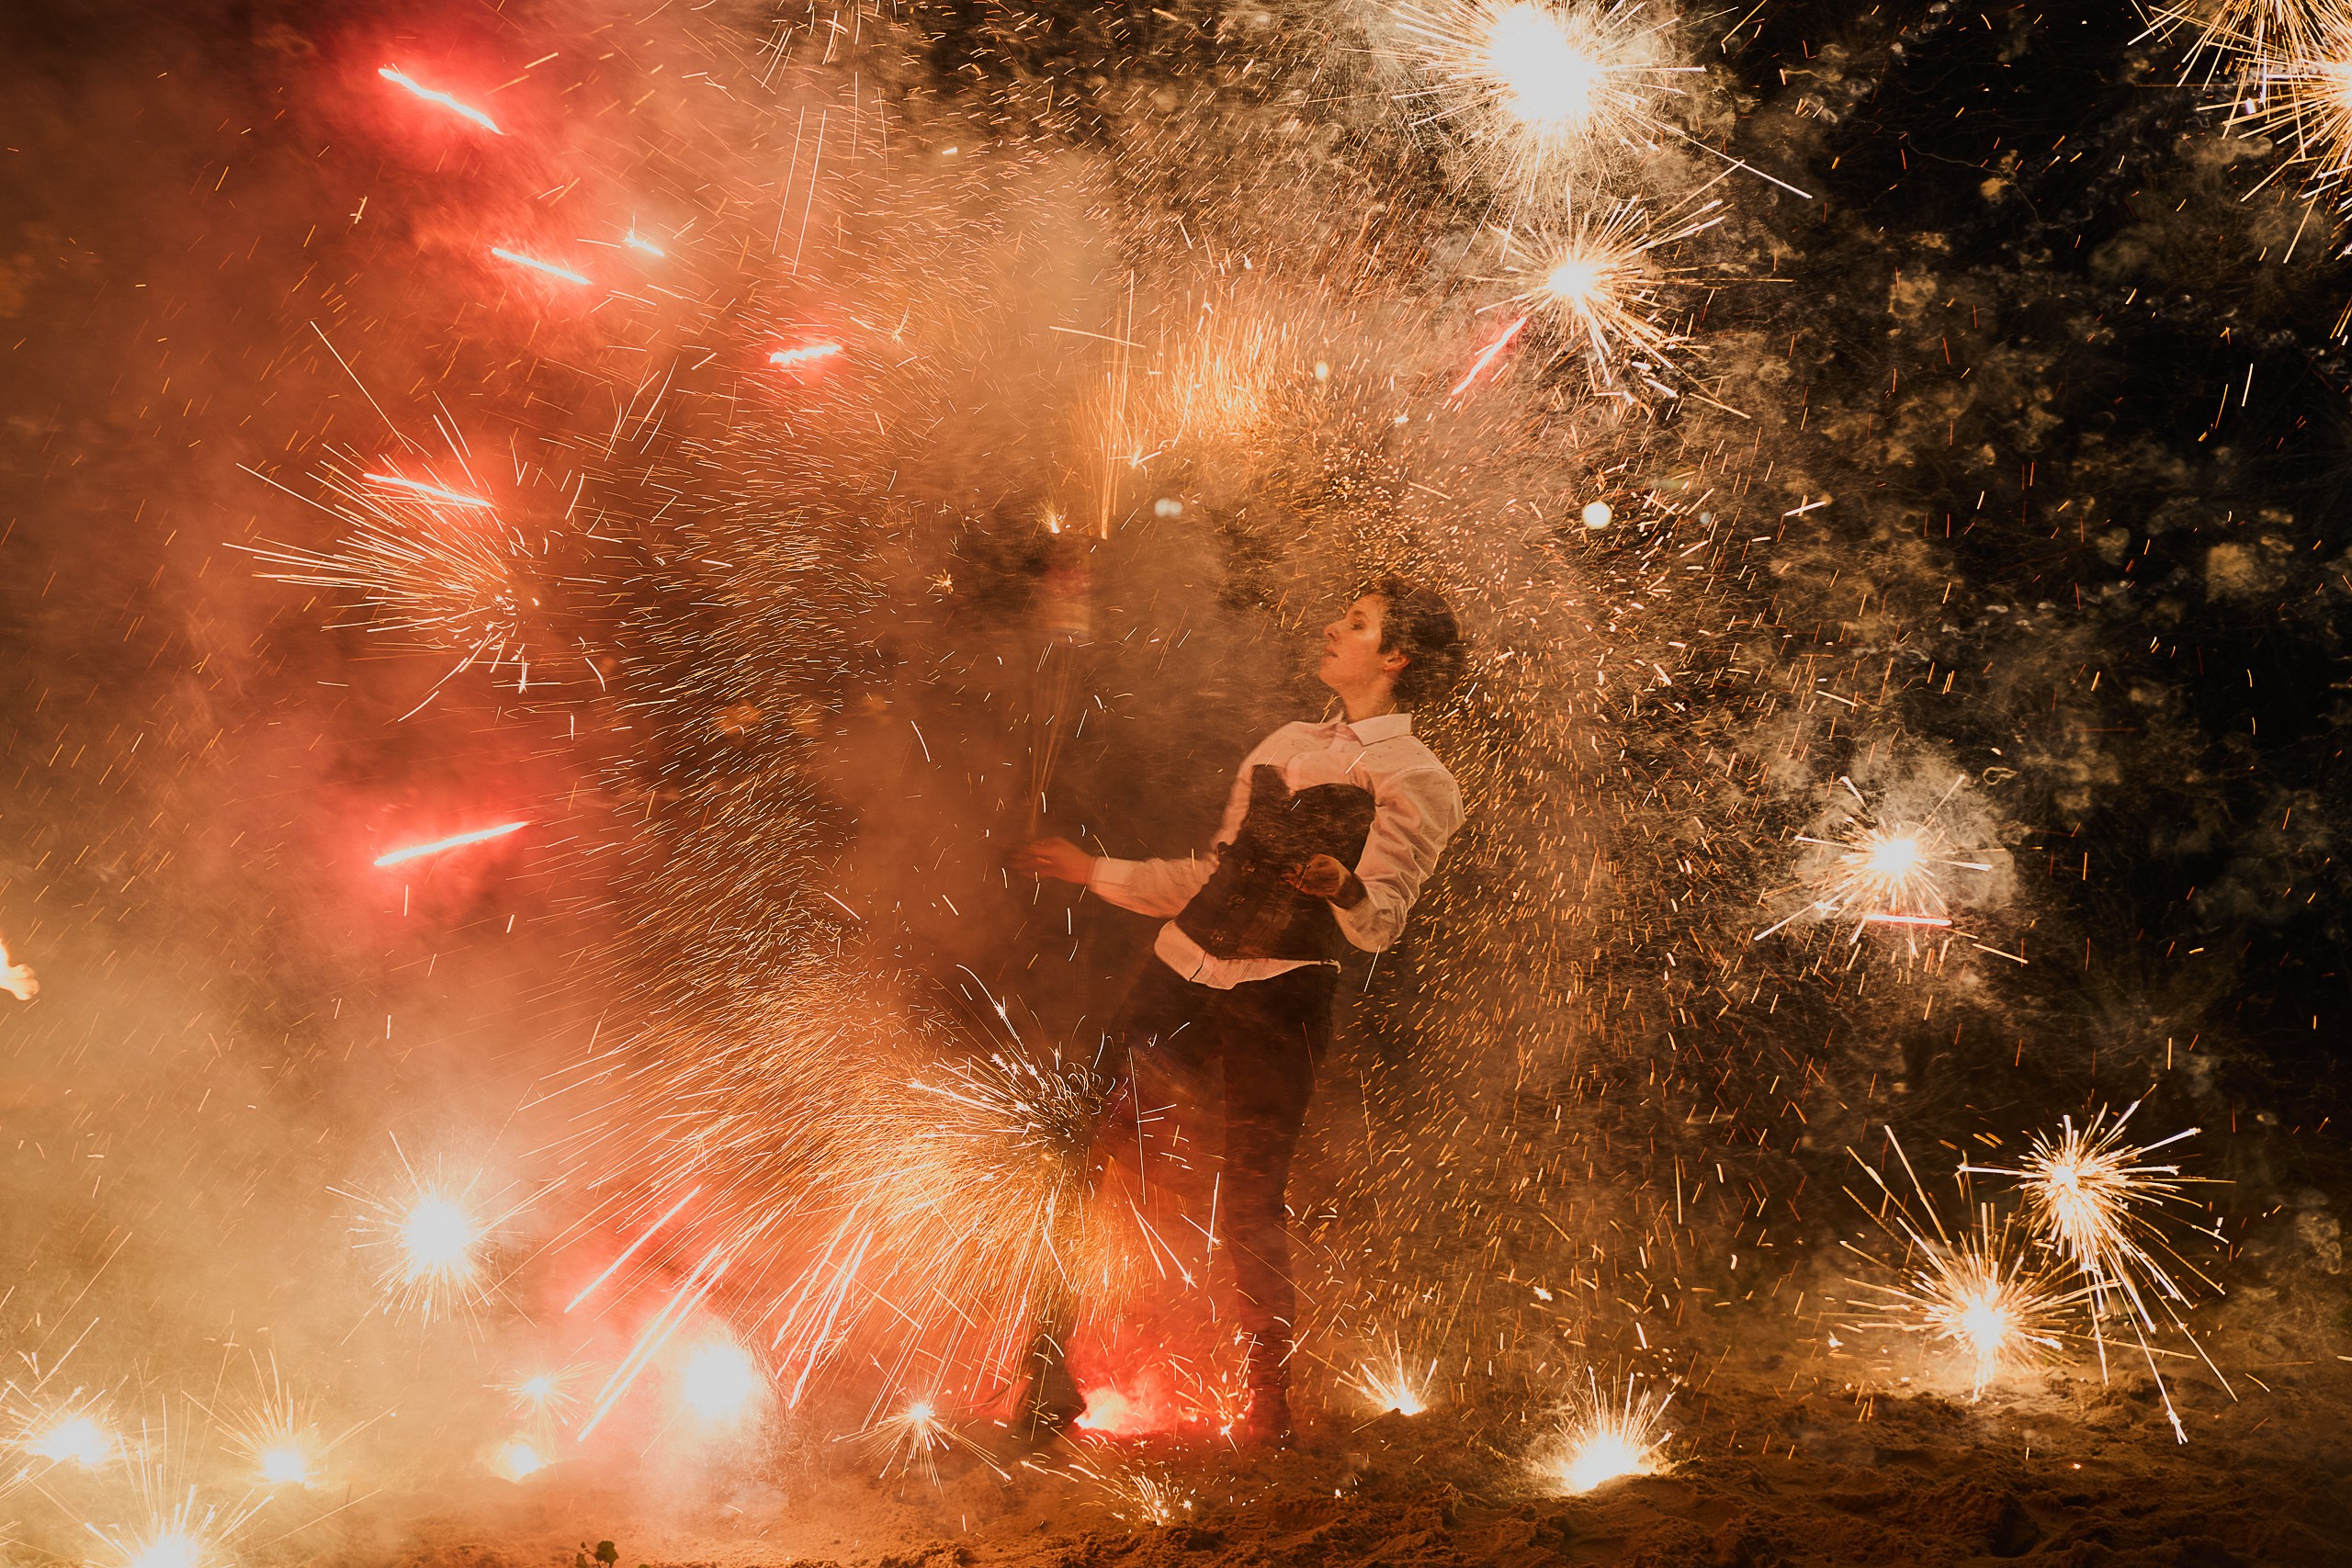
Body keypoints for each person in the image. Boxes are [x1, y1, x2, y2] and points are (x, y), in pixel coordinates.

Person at [1012, 575, 1466, 1446]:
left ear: (1396, 657)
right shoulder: (1284, 741)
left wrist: (1346, 884)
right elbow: (1208, 875)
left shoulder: (1418, 777)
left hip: (1283, 991)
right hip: (1177, 971)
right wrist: (1094, 870)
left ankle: (1268, 1407)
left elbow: (1383, 923)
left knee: (1250, 1197)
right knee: (1080, 1149)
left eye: (1358, 622)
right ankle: (1043, 1369)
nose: (1332, 625)